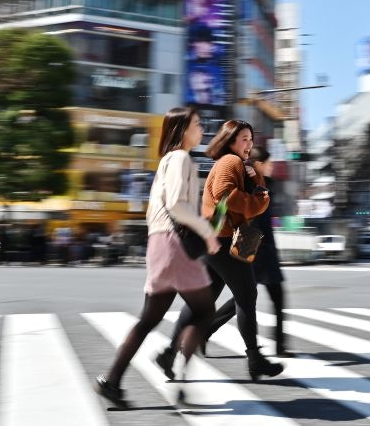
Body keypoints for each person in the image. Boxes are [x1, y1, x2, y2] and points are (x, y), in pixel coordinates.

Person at [94, 106, 221, 409]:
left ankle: (111, 381)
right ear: (182, 130)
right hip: (177, 245)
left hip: (159, 243)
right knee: (204, 313)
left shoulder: (167, 160)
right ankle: (180, 380)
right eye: (197, 124)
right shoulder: (180, 159)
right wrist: (208, 232)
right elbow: (178, 205)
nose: (202, 129)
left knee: (148, 319)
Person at [156, 120, 284, 382]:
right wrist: (258, 200)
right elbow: (225, 194)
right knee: (247, 295)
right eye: (244, 139)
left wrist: (255, 181)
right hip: (224, 241)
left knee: (203, 301)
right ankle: (255, 359)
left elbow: (256, 190)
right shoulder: (230, 162)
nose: (249, 144)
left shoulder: (237, 163)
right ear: (230, 140)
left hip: (215, 240)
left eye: (251, 139)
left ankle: (169, 352)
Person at [203, 146, 291, 357]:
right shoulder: (251, 183)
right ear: (259, 164)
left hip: (265, 251)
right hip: (255, 250)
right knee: (244, 298)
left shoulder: (268, 184)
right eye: (268, 164)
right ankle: (205, 331)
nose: (271, 167)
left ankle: (277, 346)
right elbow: (246, 215)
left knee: (248, 298)